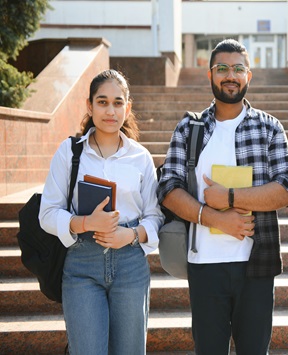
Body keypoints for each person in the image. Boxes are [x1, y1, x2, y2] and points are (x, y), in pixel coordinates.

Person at [157, 39, 288, 355]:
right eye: (222, 68)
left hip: (256, 265)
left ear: (248, 76)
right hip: (205, 265)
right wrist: (215, 216)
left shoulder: (269, 128)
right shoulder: (189, 127)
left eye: (238, 69)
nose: (230, 76)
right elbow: (167, 188)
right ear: (210, 75)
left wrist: (230, 197)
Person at [39, 69, 164, 355]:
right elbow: (47, 214)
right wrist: (84, 222)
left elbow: (155, 216)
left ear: (128, 107)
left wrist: (131, 235)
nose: (110, 110)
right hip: (82, 265)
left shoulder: (140, 157)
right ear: (90, 106)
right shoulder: (70, 153)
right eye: (103, 102)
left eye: (118, 103)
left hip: (130, 266)